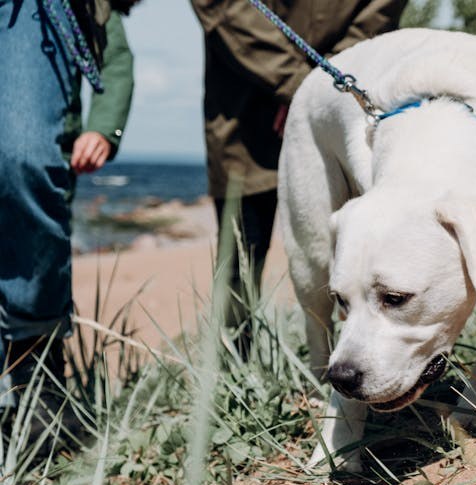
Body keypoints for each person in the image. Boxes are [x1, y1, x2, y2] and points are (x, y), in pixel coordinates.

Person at [189, 0, 408, 355]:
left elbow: (378, 12)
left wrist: (314, 92)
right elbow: (223, 9)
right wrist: (301, 87)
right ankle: (232, 376)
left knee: (361, 247)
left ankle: (366, 365)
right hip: (245, 109)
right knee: (242, 257)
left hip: (340, 110)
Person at [0, 0, 136, 451]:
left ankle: (37, 374)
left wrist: (103, 128)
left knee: (22, 165)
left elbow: (115, 58)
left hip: (34, 19)